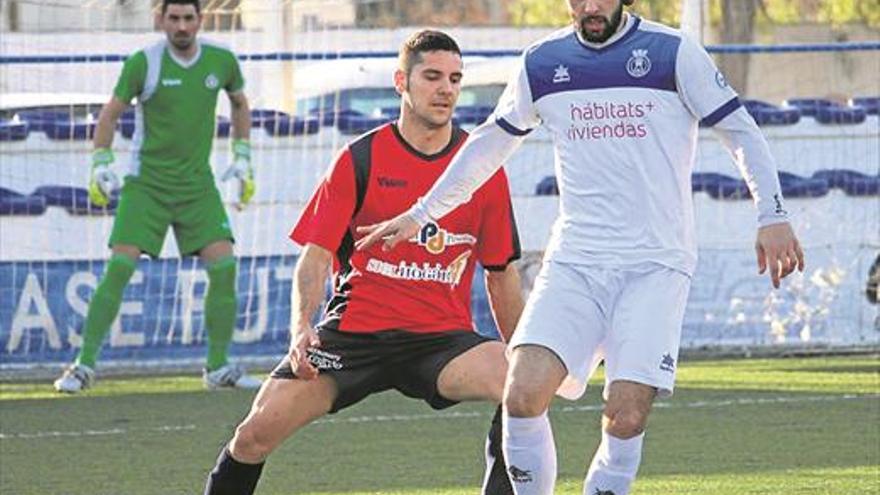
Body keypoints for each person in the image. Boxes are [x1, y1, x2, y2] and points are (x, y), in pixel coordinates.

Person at [356, 1, 806, 494]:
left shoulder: (673, 52)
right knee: (522, 395)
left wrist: (773, 214)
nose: (591, 6)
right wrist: (421, 212)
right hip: (575, 261)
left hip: (655, 265)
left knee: (625, 415)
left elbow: (740, 130)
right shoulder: (542, 62)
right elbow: (489, 144)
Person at [203, 30, 524, 495]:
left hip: (438, 341)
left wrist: (521, 348)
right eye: (432, 76)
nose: (446, 89)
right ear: (401, 81)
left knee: (520, 384)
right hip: (352, 338)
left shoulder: (481, 168)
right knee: (253, 435)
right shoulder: (360, 158)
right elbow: (314, 257)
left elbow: (501, 273)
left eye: (455, 79)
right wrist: (301, 327)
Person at [53, 0, 261, 393]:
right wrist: (100, 161)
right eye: (174, 18)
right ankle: (82, 366)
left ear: (200, 20)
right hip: (146, 185)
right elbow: (110, 114)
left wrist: (243, 154)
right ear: (160, 20)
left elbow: (239, 103)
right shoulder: (143, 63)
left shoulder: (222, 61)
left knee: (225, 266)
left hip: (197, 186)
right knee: (120, 268)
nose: (181, 26)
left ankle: (217, 368)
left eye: (188, 18)